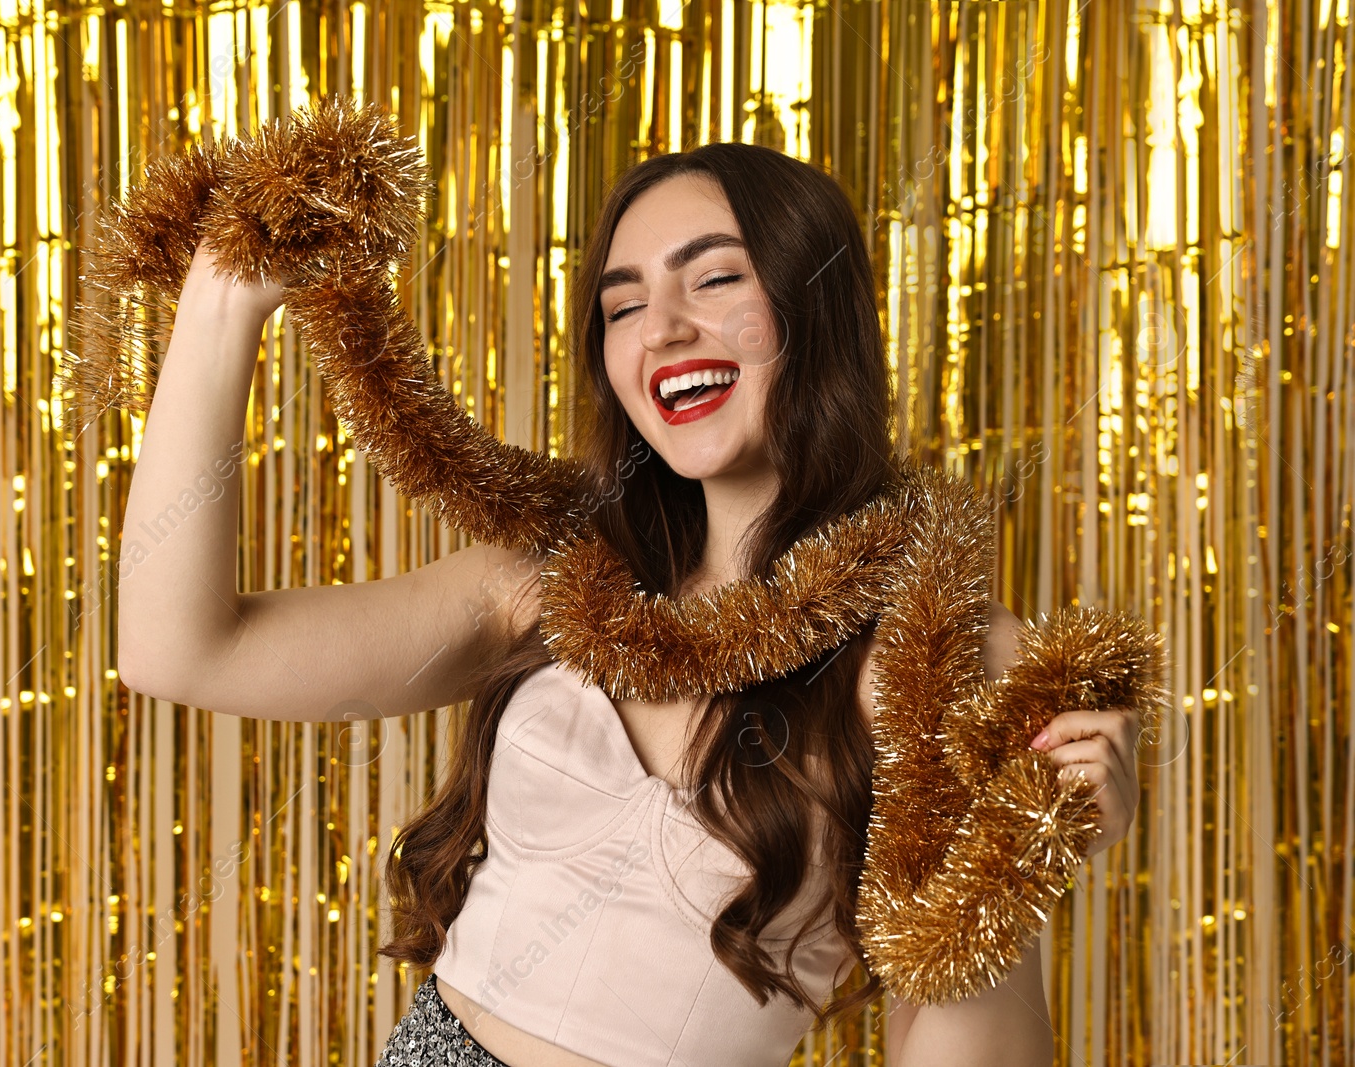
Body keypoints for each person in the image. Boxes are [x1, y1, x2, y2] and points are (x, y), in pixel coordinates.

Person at [115, 140, 1144, 1067]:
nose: (661, 329)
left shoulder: (950, 651)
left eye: (714, 278)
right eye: (620, 306)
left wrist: (1021, 851)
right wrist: (225, 295)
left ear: (816, 302)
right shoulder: (550, 583)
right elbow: (179, 649)